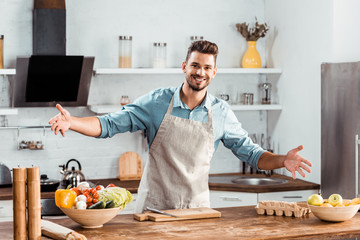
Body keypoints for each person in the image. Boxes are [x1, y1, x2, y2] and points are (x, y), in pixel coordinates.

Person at [49, 40, 312, 213]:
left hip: (196, 212)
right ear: (184, 66)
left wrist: (282, 160)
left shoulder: (221, 113)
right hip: (153, 210)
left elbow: (252, 154)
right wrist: (72, 122)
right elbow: (108, 125)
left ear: (215, 72)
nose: (200, 72)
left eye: (207, 67)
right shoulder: (156, 102)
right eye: (195, 65)